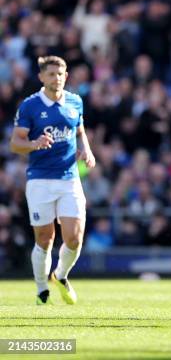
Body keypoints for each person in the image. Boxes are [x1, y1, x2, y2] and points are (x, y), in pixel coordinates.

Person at [10, 56, 96, 305]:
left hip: (69, 179)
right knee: (45, 239)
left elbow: (80, 131)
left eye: (60, 74)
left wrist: (86, 150)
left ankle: (60, 276)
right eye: (51, 74)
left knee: (74, 238)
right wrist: (34, 144)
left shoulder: (75, 101)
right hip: (40, 181)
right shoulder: (30, 106)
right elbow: (15, 143)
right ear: (41, 77)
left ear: (66, 76)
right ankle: (41, 290)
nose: (56, 78)